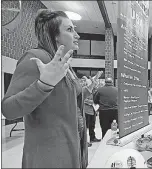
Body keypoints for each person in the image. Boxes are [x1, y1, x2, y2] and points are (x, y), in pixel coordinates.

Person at [1, 9, 96, 168]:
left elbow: (64, 101)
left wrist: (86, 90)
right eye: (70, 29)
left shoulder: (63, 65)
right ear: (55, 36)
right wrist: (43, 85)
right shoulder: (36, 58)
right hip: (50, 158)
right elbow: (8, 109)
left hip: (73, 152)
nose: (77, 35)